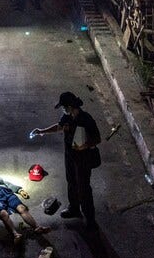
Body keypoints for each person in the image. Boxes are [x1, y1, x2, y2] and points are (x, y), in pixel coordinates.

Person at [31, 92, 101, 229]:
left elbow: (97, 138)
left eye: (64, 107)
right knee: (71, 182)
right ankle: (74, 208)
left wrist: (84, 145)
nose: (63, 109)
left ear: (70, 106)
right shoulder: (67, 117)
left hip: (83, 159)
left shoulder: (86, 119)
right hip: (70, 156)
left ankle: (90, 219)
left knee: (84, 187)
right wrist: (41, 131)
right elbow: (59, 127)